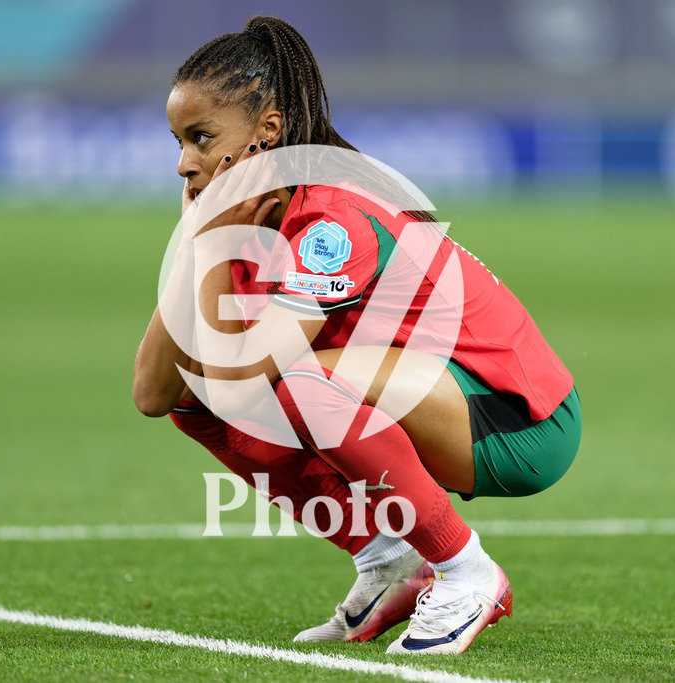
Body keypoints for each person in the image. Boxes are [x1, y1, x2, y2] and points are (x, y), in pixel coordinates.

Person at [133, 15, 581, 655]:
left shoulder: (330, 220)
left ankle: (466, 572)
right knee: (197, 396)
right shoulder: (249, 219)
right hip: (432, 399)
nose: (185, 164)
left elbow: (244, 377)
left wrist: (204, 247)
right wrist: (199, 250)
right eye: (177, 142)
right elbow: (155, 391)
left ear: (269, 131)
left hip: (519, 421)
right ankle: (390, 555)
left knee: (297, 381)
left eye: (201, 138)